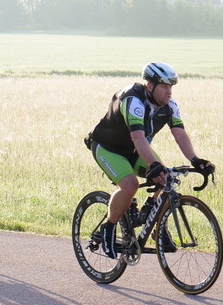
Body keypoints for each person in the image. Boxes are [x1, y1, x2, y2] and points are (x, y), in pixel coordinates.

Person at [86, 61, 214, 258]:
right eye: (164, 87)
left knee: (167, 177)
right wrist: (154, 165)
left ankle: (155, 223)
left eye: (170, 87)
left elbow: (179, 134)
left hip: (136, 150)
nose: (169, 92)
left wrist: (195, 159)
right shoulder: (133, 100)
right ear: (150, 85)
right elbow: (137, 137)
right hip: (108, 148)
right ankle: (109, 227)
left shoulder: (169, 105)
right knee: (130, 185)